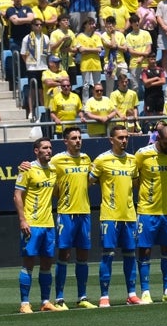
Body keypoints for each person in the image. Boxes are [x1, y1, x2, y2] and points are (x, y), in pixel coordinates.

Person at [134, 122, 167, 304]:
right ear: (159, 138)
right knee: (145, 249)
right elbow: (134, 178)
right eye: (166, 142)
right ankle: (146, 291)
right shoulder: (143, 154)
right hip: (147, 210)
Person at [90, 125, 140, 307]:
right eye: (120, 137)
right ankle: (104, 295)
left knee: (130, 254)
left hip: (129, 214)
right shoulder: (102, 160)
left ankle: (132, 294)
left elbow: (135, 183)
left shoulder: (132, 160)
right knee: (108, 255)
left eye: (126, 137)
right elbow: (90, 180)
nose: (124, 140)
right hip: (109, 214)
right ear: (111, 140)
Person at [14, 137, 61, 313]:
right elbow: (17, 196)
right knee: (28, 262)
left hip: (48, 223)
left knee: (47, 263)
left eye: (50, 148)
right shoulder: (27, 169)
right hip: (32, 224)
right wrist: (22, 220)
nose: (49, 151)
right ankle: (24, 303)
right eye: (45, 148)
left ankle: (45, 302)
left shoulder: (54, 170)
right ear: (36, 151)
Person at [51, 126, 95, 308]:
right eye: (74, 138)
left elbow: (89, 181)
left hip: (84, 212)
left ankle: (82, 297)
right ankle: (60, 298)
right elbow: (49, 182)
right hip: (66, 213)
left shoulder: (86, 159)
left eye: (79, 137)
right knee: (65, 253)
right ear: (66, 141)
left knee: (83, 254)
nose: (78, 141)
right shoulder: (57, 160)